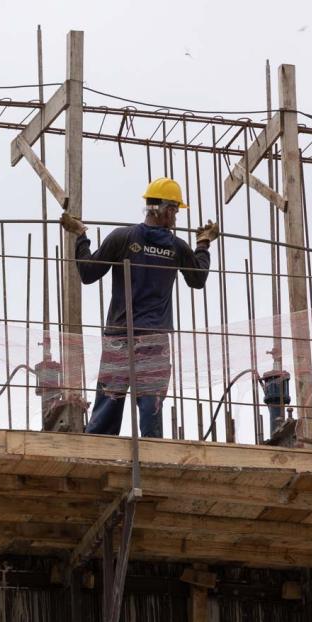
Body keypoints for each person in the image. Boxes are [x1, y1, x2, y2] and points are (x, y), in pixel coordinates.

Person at [60, 177, 218, 438]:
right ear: (165, 210)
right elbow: (198, 279)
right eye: (175, 210)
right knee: (150, 404)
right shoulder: (176, 247)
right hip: (154, 338)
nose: (176, 217)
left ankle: (99, 446)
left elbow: (87, 273)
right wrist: (203, 244)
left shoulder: (122, 237)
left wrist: (81, 236)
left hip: (119, 334)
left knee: (109, 403)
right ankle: (151, 451)